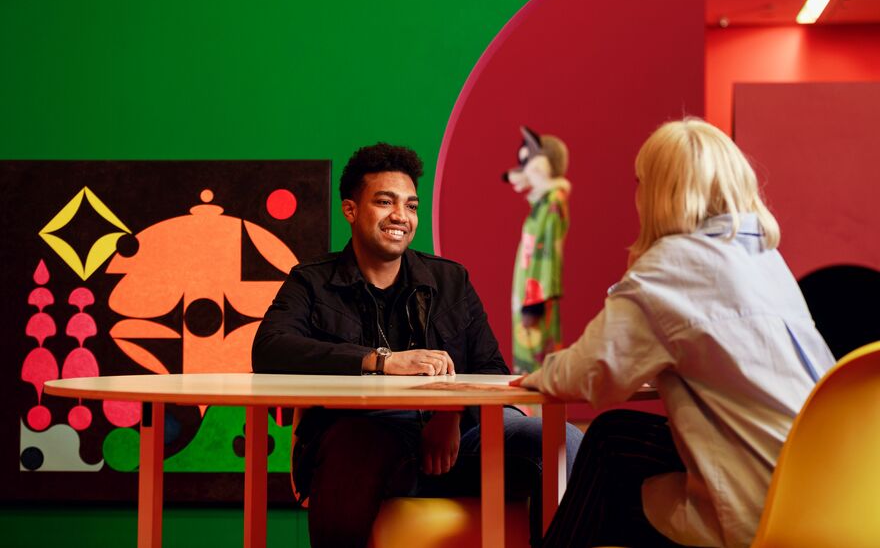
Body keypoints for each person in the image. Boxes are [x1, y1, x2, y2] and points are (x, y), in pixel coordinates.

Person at [514, 118, 835, 548]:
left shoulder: (671, 266)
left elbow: (588, 373)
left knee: (607, 460)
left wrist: (539, 372)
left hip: (759, 504)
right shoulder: (763, 259)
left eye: (640, 182)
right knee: (613, 440)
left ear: (658, 191)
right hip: (820, 487)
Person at [252, 142, 582, 548]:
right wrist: (379, 361)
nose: (401, 217)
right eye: (385, 202)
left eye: (411, 206)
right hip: (366, 443)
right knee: (355, 444)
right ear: (350, 210)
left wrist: (451, 416)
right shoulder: (312, 282)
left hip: (460, 442)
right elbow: (269, 348)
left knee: (560, 440)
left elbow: (493, 372)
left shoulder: (450, 281)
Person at [503, 126, 571, 374]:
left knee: (536, 365)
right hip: (528, 296)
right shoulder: (543, 203)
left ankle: (536, 414)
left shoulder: (553, 203)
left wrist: (534, 304)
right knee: (528, 362)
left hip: (536, 300)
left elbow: (547, 256)